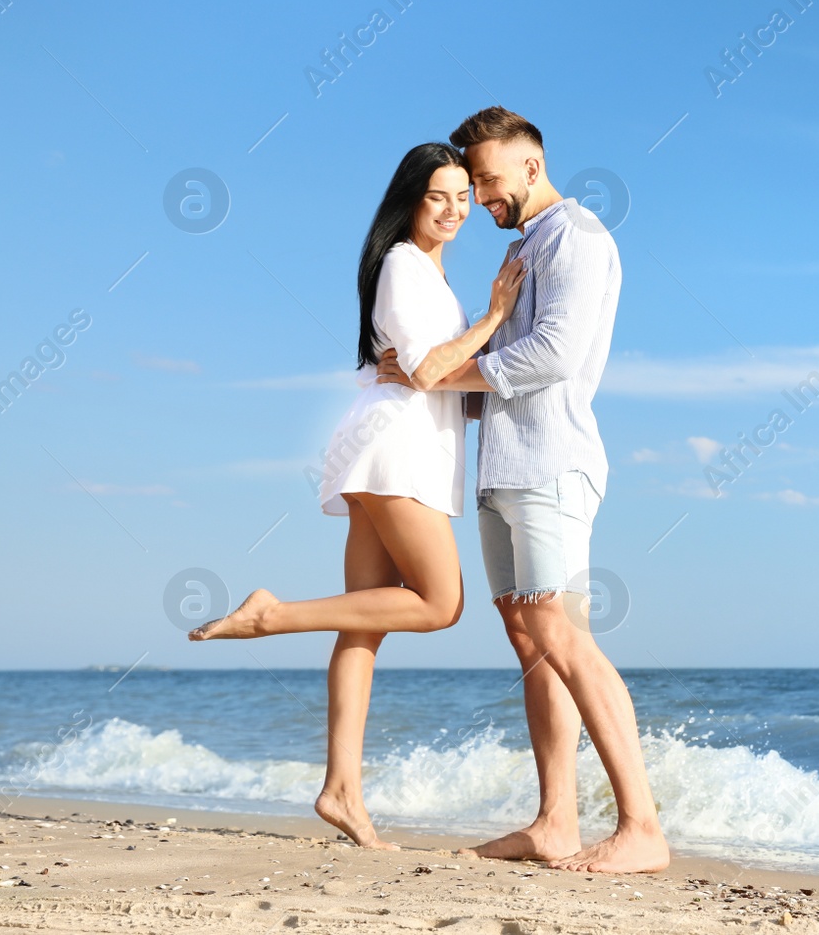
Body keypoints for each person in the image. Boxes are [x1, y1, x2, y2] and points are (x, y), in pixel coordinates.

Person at [189, 142, 527, 851]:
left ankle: (341, 790)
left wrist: (468, 376)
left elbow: (434, 376)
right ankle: (269, 614)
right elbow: (433, 371)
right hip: (395, 451)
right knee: (441, 603)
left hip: (395, 445)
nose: (456, 210)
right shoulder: (404, 267)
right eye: (440, 196)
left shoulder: (429, 276)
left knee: (364, 626)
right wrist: (495, 318)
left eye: (465, 197)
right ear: (409, 198)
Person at [375, 106, 669, 874]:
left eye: (489, 179)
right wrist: (420, 377)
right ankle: (555, 822)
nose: (481, 196)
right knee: (531, 641)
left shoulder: (576, 237)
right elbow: (490, 379)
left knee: (562, 631)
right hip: (502, 466)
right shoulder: (526, 250)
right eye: (471, 181)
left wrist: (441, 370)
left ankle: (641, 825)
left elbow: (555, 354)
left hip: (551, 463)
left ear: (531, 166)